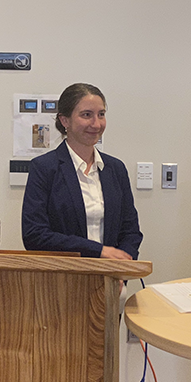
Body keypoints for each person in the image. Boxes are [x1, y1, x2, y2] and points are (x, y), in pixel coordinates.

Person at [22, 83, 142, 259]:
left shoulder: (116, 169)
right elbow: (35, 235)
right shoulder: (44, 168)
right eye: (87, 115)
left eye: (101, 114)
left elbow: (131, 232)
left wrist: (120, 271)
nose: (96, 124)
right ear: (65, 121)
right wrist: (98, 251)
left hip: (111, 278)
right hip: (63, 279)